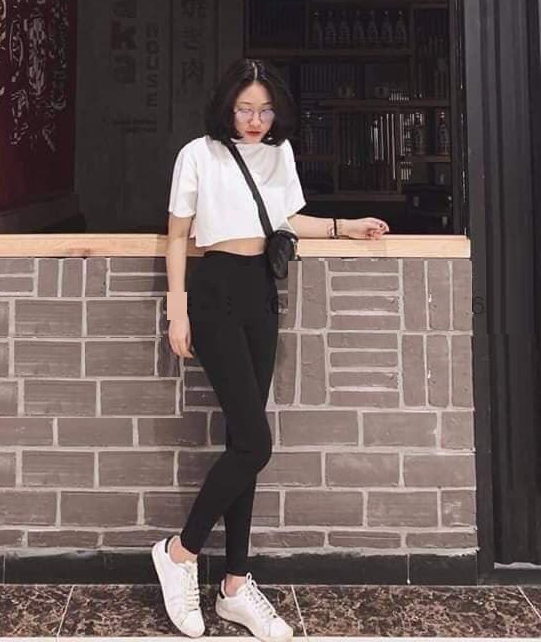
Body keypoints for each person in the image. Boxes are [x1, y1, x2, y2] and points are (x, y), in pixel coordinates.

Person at [151, 58, 390, 642]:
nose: (255, 120)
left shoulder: (279, 154)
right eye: (245, 109)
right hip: (214, 291)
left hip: (261, 290)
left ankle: (234, 585)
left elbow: (287, 220)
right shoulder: (198, 154)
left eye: (264, 110)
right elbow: (178, 236)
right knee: (256, 443)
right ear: (227, 107)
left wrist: (347, 226)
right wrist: (177, 309)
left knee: (244, 441)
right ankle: (180, 552)